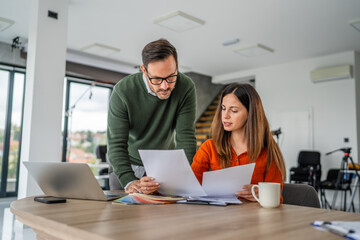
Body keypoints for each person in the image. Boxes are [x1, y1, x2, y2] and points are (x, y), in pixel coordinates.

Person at [107, 39, 197, 194]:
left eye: (171, 77)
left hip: (163, 167)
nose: (165, 86)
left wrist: (185, 176)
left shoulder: (186, 87)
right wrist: (128, 180)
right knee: (122, 216)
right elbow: (116, 143)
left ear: (177, 66)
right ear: (143, 70)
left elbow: (186, 137)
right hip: (126, 164)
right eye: (156, 79)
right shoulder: (122, 91)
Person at [191, 83, 286, 202]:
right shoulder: (209, 147)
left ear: (250, 113)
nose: (225, 116)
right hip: (218, 217)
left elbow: (277, 199)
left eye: (234, 110)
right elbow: (191, 189)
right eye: (223, 108)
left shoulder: (268, 152)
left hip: (255, 218)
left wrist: (263, 195)